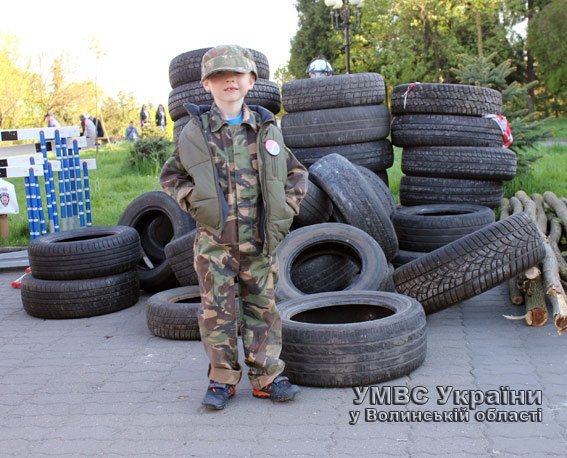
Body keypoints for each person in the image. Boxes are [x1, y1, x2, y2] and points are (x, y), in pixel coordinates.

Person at [159, 45, 308, 410]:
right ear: (206, 84)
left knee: (263, 310)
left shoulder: (266, 130)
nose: (229, 81)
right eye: (219, 76)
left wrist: (287, 209)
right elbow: (172, 176)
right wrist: (196, 203)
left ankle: (267, 377)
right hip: (215, 244)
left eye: (237, 75)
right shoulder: (196, 132)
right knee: (217, 314)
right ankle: (222, 379)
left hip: (259, 241)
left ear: (251, 81)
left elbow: (295, 173)